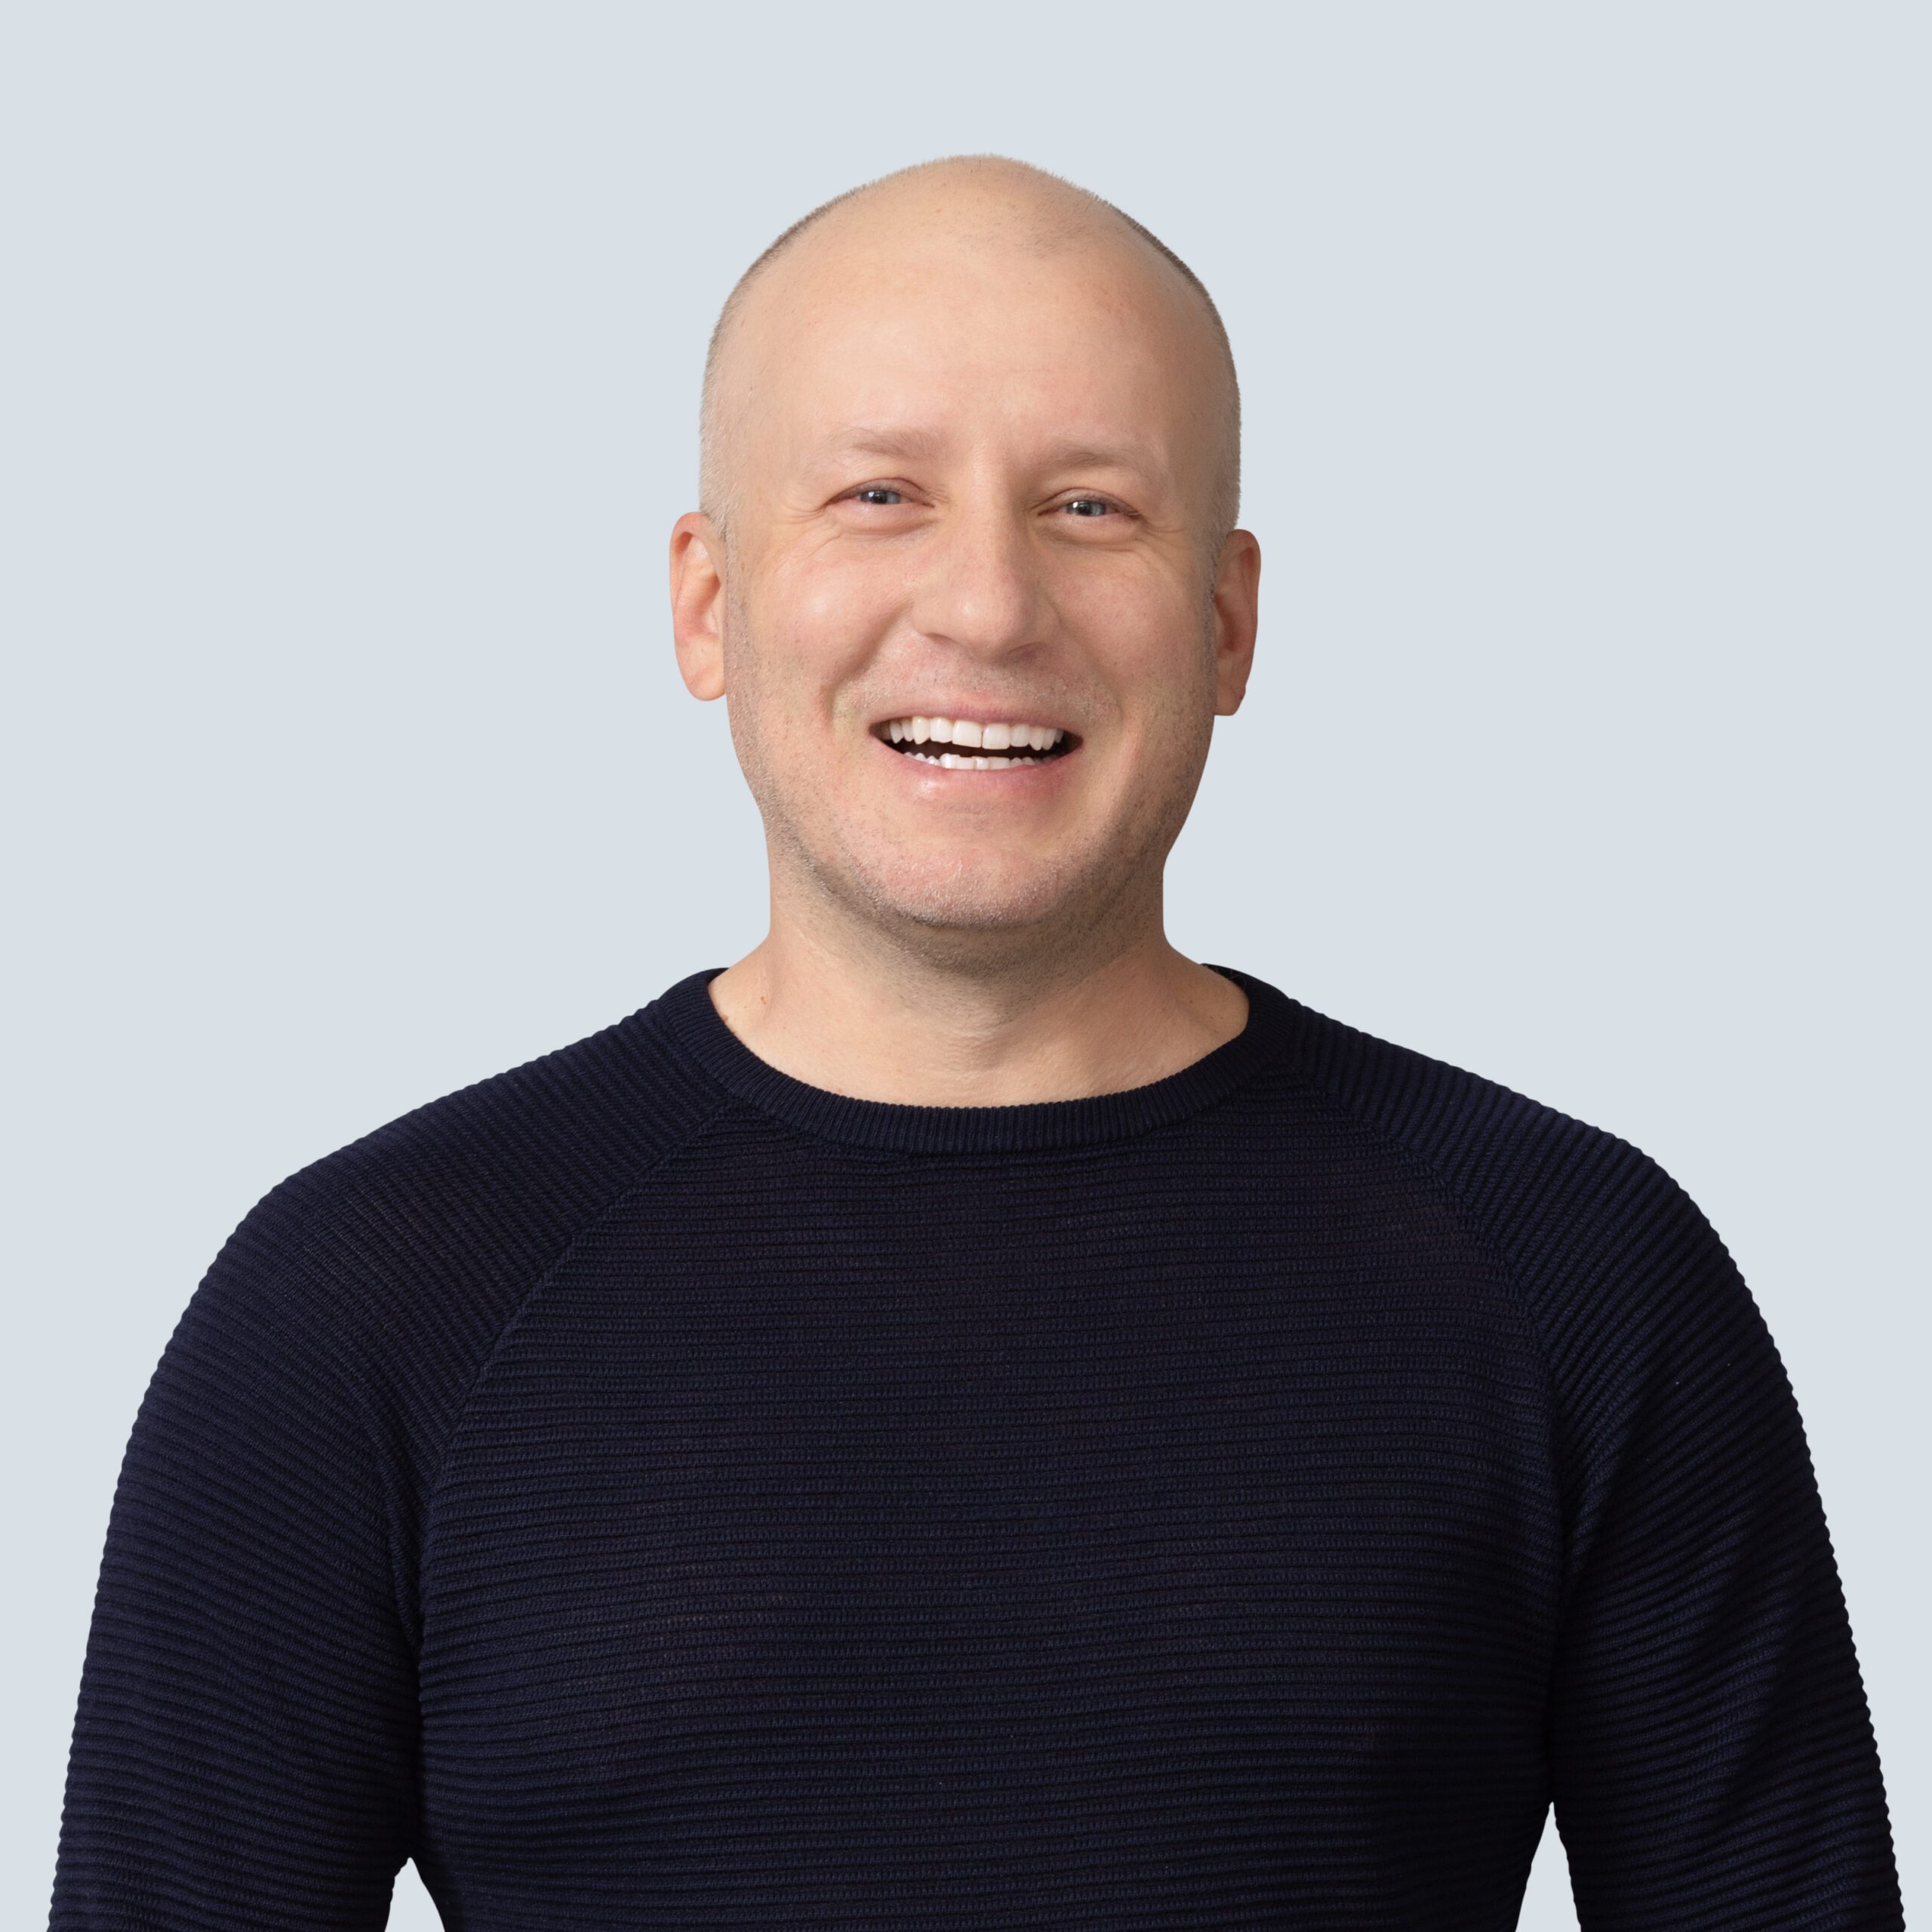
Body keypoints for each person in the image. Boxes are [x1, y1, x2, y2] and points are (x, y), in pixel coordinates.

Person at [47, 155, 1903, 1930]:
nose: (988, 605)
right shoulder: (364, 1303)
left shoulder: (1576, 1270)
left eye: (1090, 506)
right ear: (707, 602)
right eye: (878, 494)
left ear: (1226, 620)